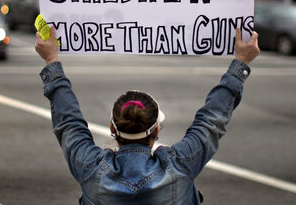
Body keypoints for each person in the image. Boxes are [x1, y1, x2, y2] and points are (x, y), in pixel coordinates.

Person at [35, 26, 260, 205]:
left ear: (112, 129)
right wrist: (240, 63)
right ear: (157, 130)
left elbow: (69, 122)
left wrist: (51, 60)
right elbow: (211, 120)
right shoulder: (180, 166)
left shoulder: (90, 168)